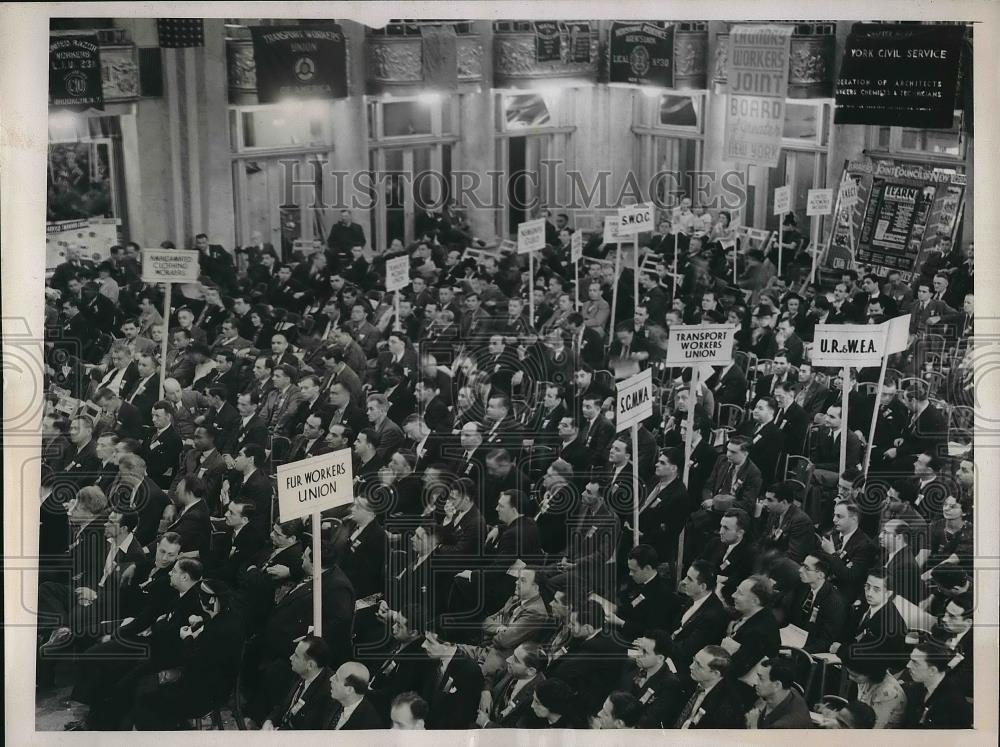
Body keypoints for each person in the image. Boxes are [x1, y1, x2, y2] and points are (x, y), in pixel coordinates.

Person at [261, 636, 334, 730]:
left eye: (296, 656)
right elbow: (283, 705)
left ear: (310, 665)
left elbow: (305, 729)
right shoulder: (301, 673)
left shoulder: (327, 692)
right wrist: (269, 721)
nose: (291, 658)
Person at [744, 657, 812, 728]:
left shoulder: (783, 725)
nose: (755, 682)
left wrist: (753, 726)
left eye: (761, 679)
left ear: (777, 685)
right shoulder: (788, 692)